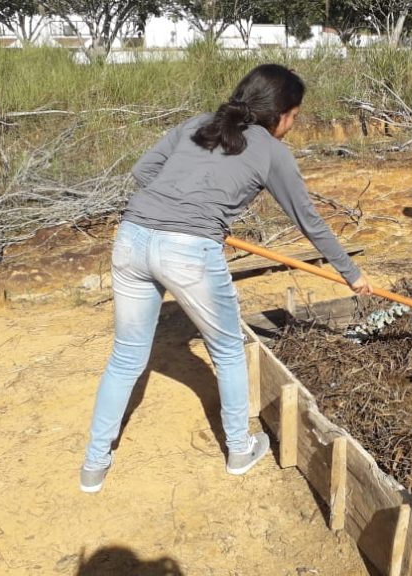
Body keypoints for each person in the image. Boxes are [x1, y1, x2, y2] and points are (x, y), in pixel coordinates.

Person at [80, 64, 373, 493]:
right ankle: (239, 450)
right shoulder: (272, 151)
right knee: (229, 350)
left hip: (132, 235)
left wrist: (181, 205)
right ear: (280, 114)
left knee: (126, 357)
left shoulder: (198, 124)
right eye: (294, 116)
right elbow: (308, 220)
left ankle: (93, 466)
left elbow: (144, 171)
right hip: (188, 251)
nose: (292, 124)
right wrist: (351, 274)